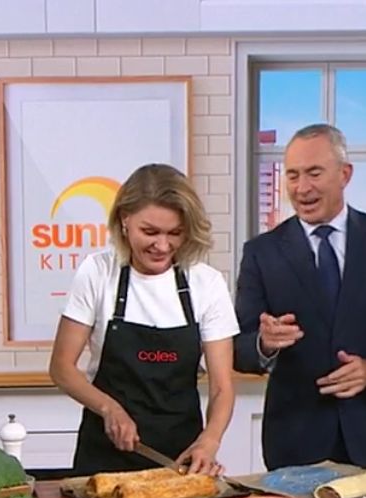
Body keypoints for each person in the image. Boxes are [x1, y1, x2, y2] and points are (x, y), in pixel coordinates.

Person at [234, 124, 366, 470]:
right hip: (294, 444)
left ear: (345, 174)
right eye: (293, 175)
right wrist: (264, 343)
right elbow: (238, 346)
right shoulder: (261, 253)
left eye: (314, 173)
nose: (302, 188)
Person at [49, 163, 238, 476]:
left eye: (174, 233)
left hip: (180, 460)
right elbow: (61, 368)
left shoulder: (207, 284)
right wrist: (109, 408)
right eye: (149, 232)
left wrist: (210, 440)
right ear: (125, 220)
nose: (162, 246)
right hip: (103, 459)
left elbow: (222, 387)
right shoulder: (98, 273)